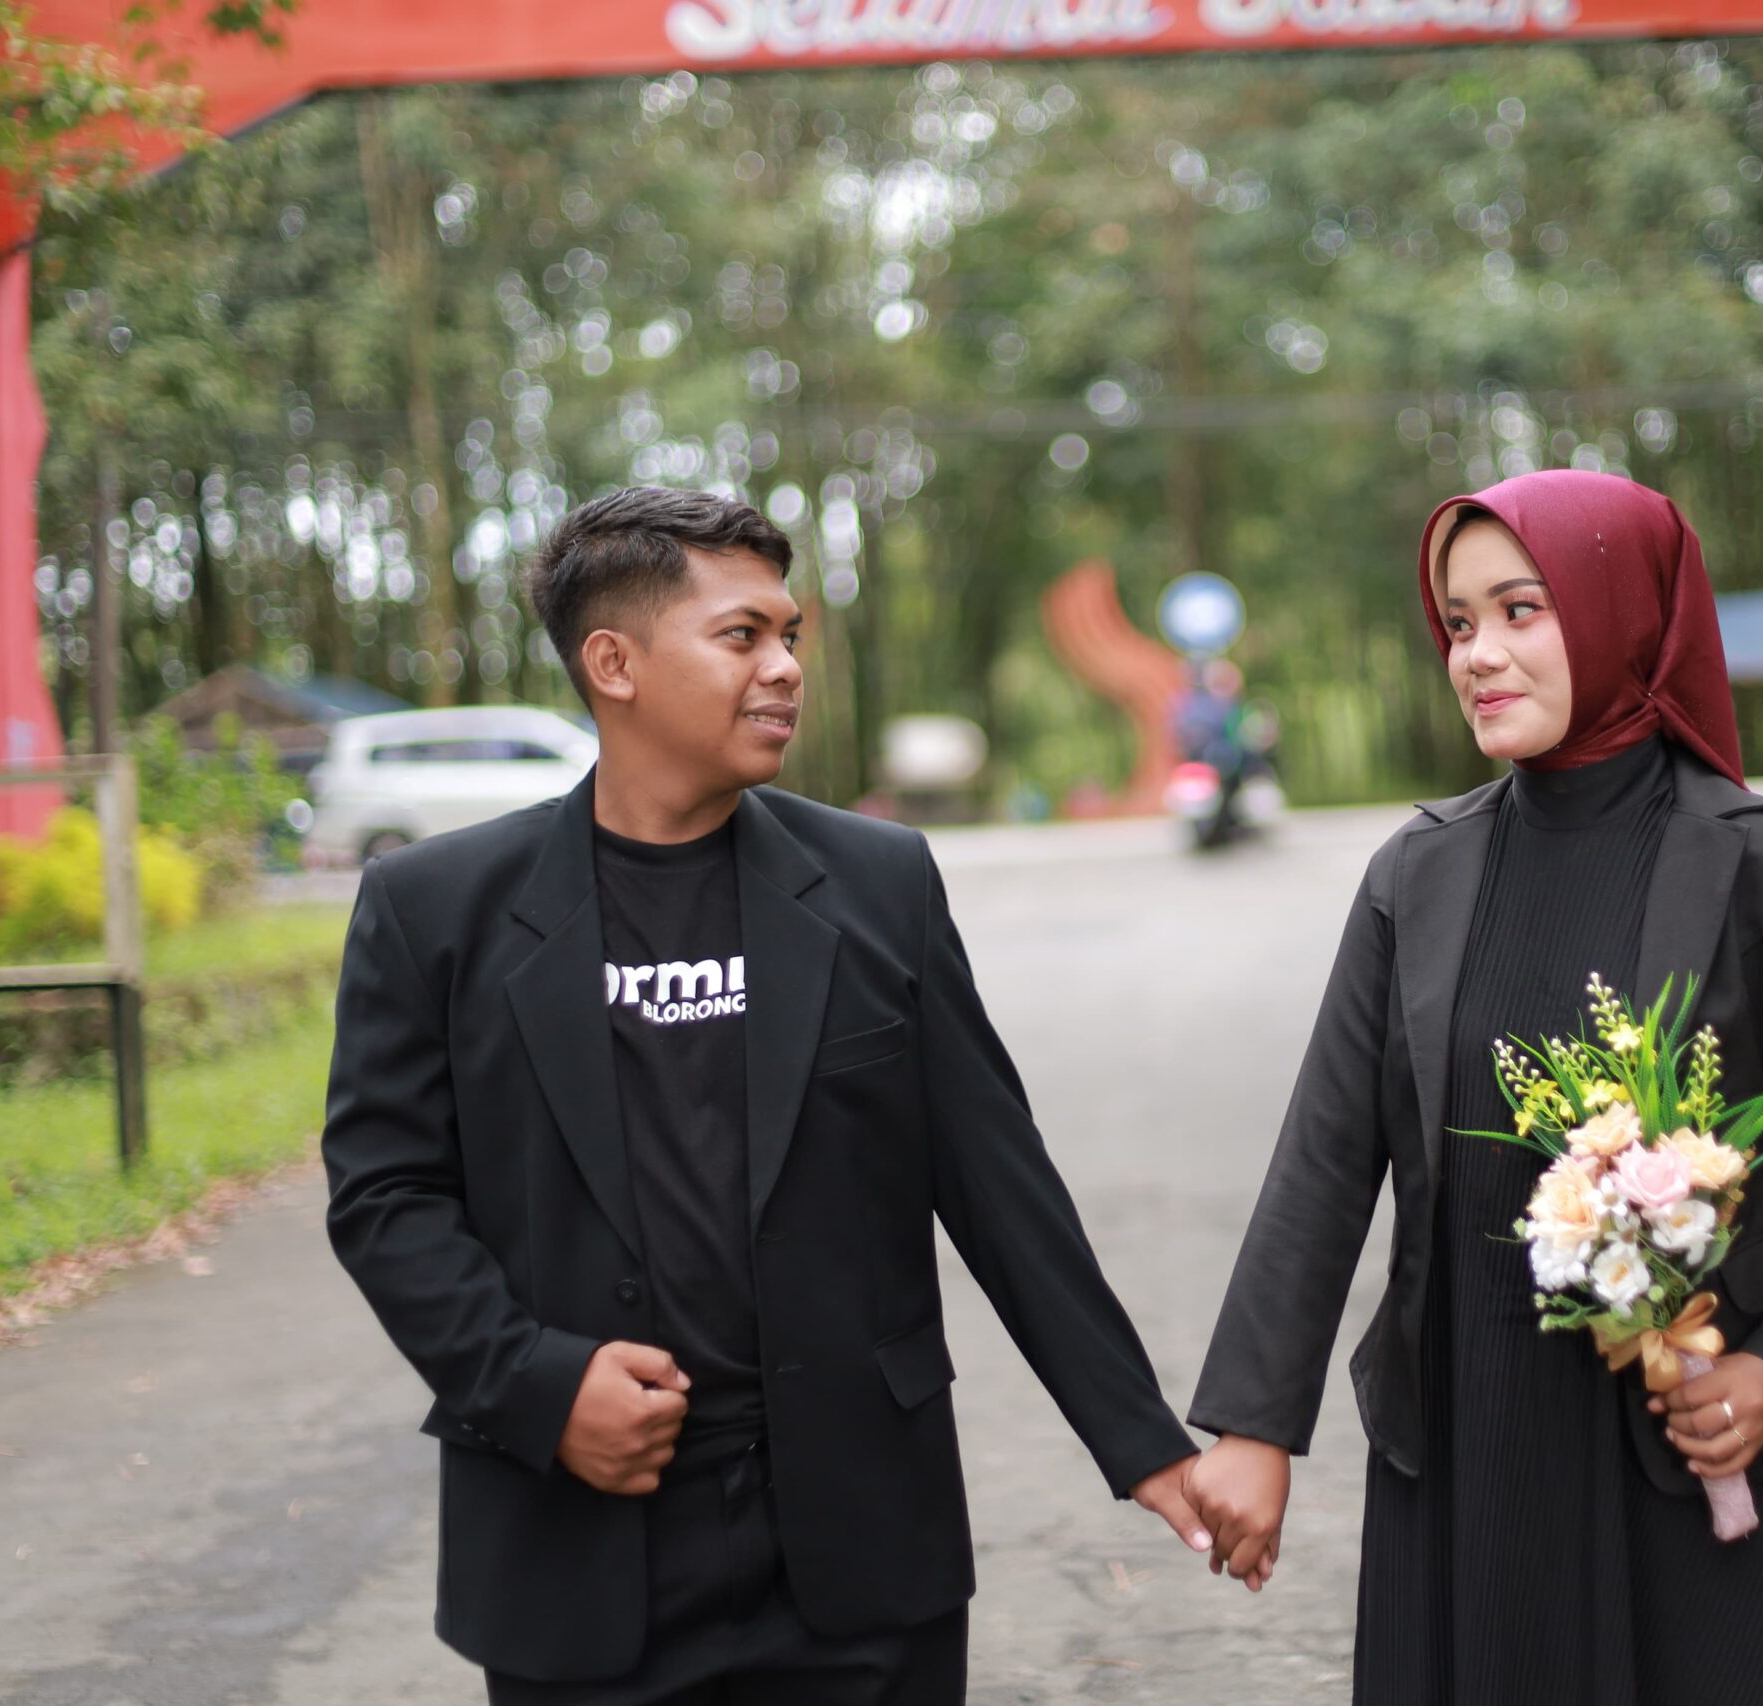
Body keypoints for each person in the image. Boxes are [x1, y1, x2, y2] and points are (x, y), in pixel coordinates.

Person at [320, 487, 1209, 1706]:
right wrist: (535, 1382)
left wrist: (1143, 1440)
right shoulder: (437, 909)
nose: (785, 667)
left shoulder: (877, 882)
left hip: (861, 1553)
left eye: (788, 635)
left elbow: (997, 1183)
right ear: (614, 663)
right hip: (579, 1552)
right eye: (741, 636)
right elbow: (386, 1195)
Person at [1180, 470, 1763, 1704]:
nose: (1477, 653)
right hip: (1466, 1447)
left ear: (1619, 610)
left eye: (1519, 609)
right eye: (1458, 622)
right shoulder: (1415, 877)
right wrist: (1254, 1424)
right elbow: (1324, 1157)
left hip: (1685, 1443)